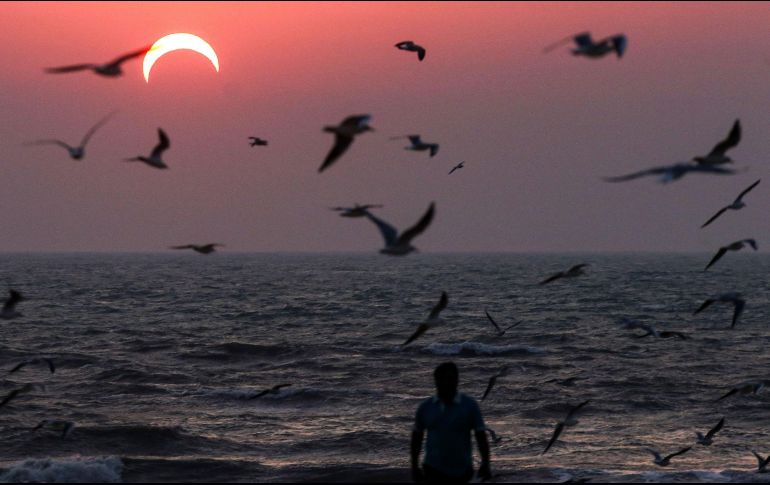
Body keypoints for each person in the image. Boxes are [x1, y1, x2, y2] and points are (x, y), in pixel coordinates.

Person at [411, 362, 491, 483]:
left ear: (457, 380)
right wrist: (414, 467)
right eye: (442, 379)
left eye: (450, 378)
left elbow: (480, 436)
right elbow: (416, 438)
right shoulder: (425, 408)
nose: (446, 383)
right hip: (433, 469)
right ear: (436, 380)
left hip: (462, 472)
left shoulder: (469, 406)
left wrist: (486, 463)